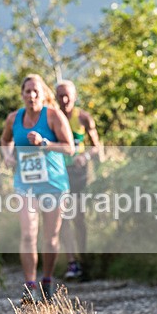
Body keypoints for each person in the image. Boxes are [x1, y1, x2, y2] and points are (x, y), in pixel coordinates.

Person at [0, 74, 74, 303]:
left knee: (50, 237)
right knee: (28, 233)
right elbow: (4, 141)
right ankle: (30, 286)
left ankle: (48, 280)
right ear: (21, 94)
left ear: (43, 94)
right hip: (26, 183)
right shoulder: (14, 118)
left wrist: (45, 143)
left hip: (53, 183)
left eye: (36, 91)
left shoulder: (53, 116)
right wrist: (8, 157)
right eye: (27, 91)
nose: (31, 95)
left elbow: (70, 147)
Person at [56, 80, 101, 281]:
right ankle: (72, 262)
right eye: (60, 96)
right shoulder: (51, 117)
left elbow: (96, 146)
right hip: (57, 173)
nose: (64, 100)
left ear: (74, 97)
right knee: (63, 217)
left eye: (67, 96)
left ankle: (84, 258)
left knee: (79, 218)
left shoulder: (83, 117)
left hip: (78, 174)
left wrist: (86, 157)